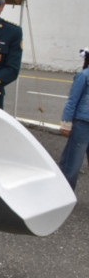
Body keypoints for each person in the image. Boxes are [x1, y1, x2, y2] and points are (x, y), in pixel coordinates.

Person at [58, 48, 89, 189]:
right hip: (82, 124)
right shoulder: (83, 76)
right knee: (72, 164)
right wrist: (66, 122)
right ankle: (64, 194)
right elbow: (72, 100)